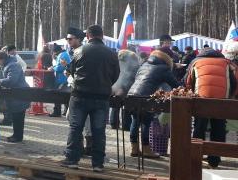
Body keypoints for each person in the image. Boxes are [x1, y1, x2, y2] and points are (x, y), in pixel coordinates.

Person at [61, 25, 119, 171]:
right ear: (102, 35)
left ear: (88, 36)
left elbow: (71, 71)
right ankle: (98, 164)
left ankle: (72, 160)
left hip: (80, 95)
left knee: (75, 128)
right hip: (101, 97)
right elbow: (115, 75)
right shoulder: (111, 53)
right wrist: (104, 85)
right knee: (99, 130)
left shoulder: (79, 51)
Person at [185, 45, 237, 168]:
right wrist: (229, 96)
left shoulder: (195, 62)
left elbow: (187, 81)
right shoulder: (226, 62)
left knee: (199, 126)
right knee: (218, 128)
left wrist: (193, 93)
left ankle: (195, 157)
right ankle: (214, 160)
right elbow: (235, 82)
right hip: (221, 100)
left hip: (201, 99)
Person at [127, 48, 180, 158]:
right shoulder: (163, 68)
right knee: (146, 122)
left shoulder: (144, 65)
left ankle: (134, 148)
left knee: (135, 121)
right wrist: (184, 88)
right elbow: (175, 84)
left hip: (132, 94)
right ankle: (146, 149)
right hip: (146, 96)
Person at [0, 51, 29, 142]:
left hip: (20, 94)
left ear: (1, 59)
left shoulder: (12, 65)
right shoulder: (6, 64)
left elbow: (12, 80)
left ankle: (17, 137)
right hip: (16, 94)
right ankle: (17, 135)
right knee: (16, 116)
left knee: (18, 116)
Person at [48, 44, 72, 117]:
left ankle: (57, 112)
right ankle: (66, 111)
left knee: (57, 96)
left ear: (56, 51)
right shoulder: (65, 54)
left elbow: (60, 67)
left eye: (54, 52)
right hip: (65, 78)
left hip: (61, 79)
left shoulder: (62, 55)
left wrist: (52, 68)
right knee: (65, 96)